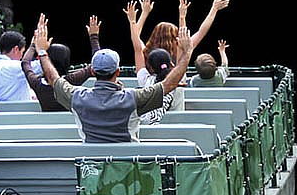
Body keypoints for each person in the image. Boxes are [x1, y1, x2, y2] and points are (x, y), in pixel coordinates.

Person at [40, 17, 195, 143]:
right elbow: (168, 85)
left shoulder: (76, 96)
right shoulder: (133, 98)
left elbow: (54, 79)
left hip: (92, 167)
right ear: (118, 71)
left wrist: (42, 52)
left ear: (93, 71)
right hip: (127, 167)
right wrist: (186, 53)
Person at [124, 0, 230, 110]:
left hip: (149, 125)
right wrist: (185, 16)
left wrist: (137, 18)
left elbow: (136, 42)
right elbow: (200, 32)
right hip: (178, 126)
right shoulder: (179, 72)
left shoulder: (145, 77)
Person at [21, 14, 102, 111]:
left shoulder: (37, 83)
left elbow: (25, 63)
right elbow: (97, 64)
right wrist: (94, 37)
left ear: (48, 59)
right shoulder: (71, 80)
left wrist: (34, 45)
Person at [0, 29, 40, 102]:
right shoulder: (12, 67)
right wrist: (41, 48)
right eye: (22, 52)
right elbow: (40, 66)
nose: (21, 56)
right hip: (18, 111)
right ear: (16, 49)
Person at [139, 48, 176, 125]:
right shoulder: (176, 82)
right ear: (171, 64)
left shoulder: (145, 79)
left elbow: (138, 50)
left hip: (143, 124)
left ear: (151, 68)